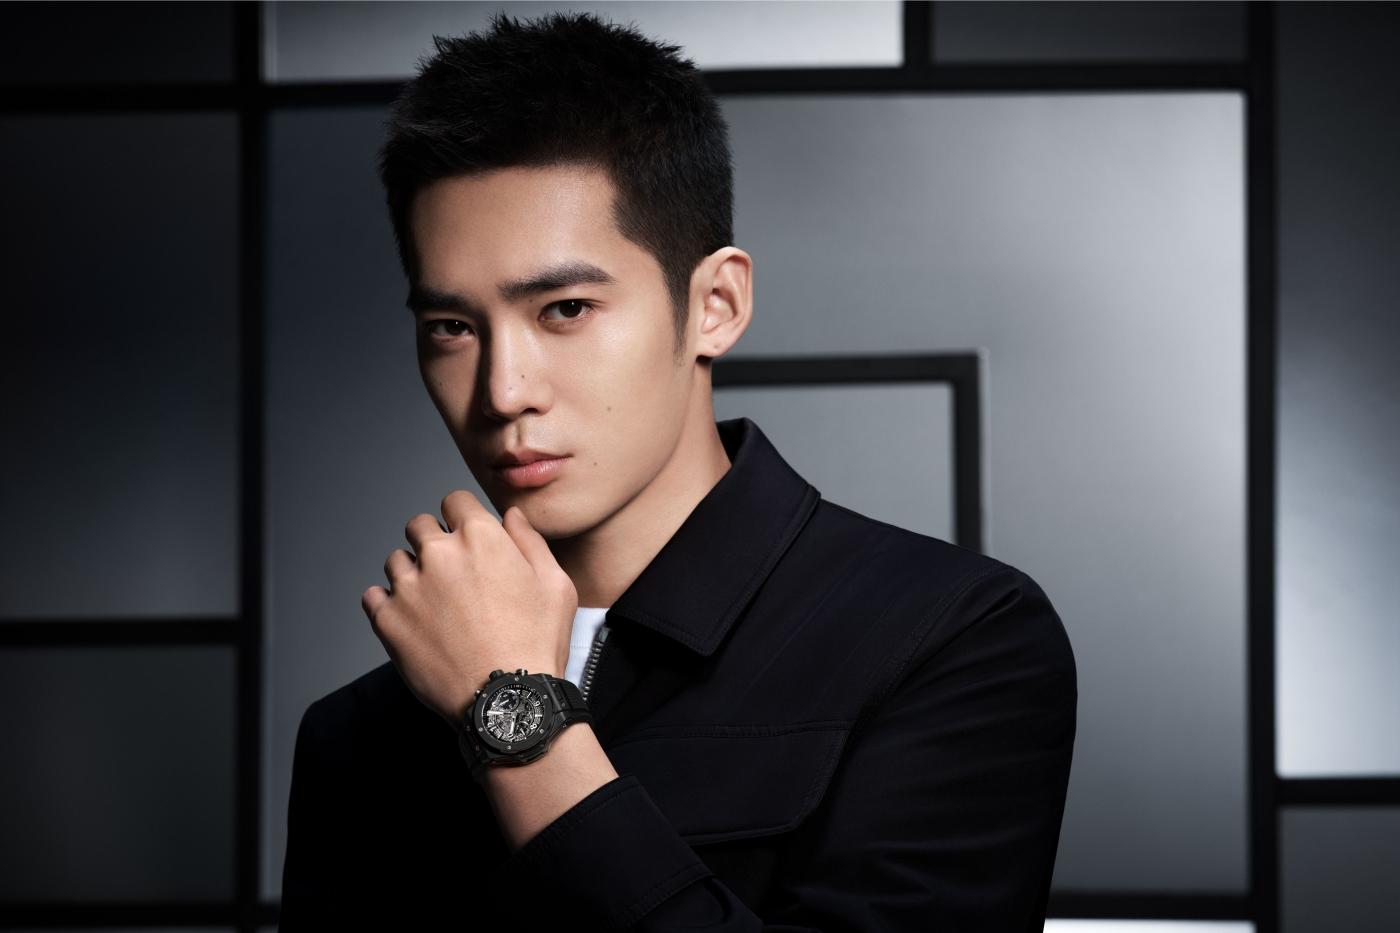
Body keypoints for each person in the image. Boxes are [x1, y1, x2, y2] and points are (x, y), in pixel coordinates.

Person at [279, 10, 1076, 931]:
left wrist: (512, 715)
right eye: (452, 328)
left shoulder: (952, 640)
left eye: (565, 309)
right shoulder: (357, 732)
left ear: (716, 305)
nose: (503, 391)